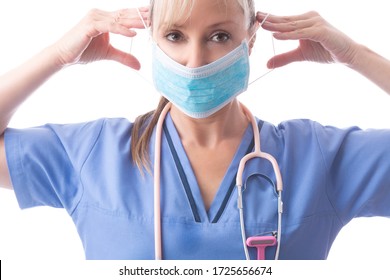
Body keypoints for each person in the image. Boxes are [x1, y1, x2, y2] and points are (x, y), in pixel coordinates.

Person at [0, 0, 389, 260]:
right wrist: (58, 56)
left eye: (220, 36)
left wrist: (356, 56)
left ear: (250, 41)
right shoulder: (92, 154)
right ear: (151, 40)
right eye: (174, 36)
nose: (195, 60)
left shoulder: (315, 159)